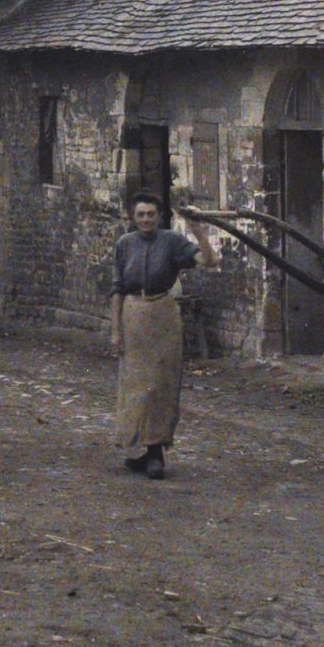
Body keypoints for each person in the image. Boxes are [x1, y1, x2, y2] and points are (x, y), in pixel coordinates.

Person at [110, 190, 217, 480]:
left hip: (163, 316)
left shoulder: (171, 242)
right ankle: (145, 450)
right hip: (134, 315)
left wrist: (196, 228)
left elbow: (209, 260)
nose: (146, 219)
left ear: (159, 217)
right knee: (136, 386)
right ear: (133, 218)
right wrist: (116, 329)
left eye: (151, 214)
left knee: (159, 385)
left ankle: (156, 453)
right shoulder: (124, 244)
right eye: (140, 214)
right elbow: (117, 288)